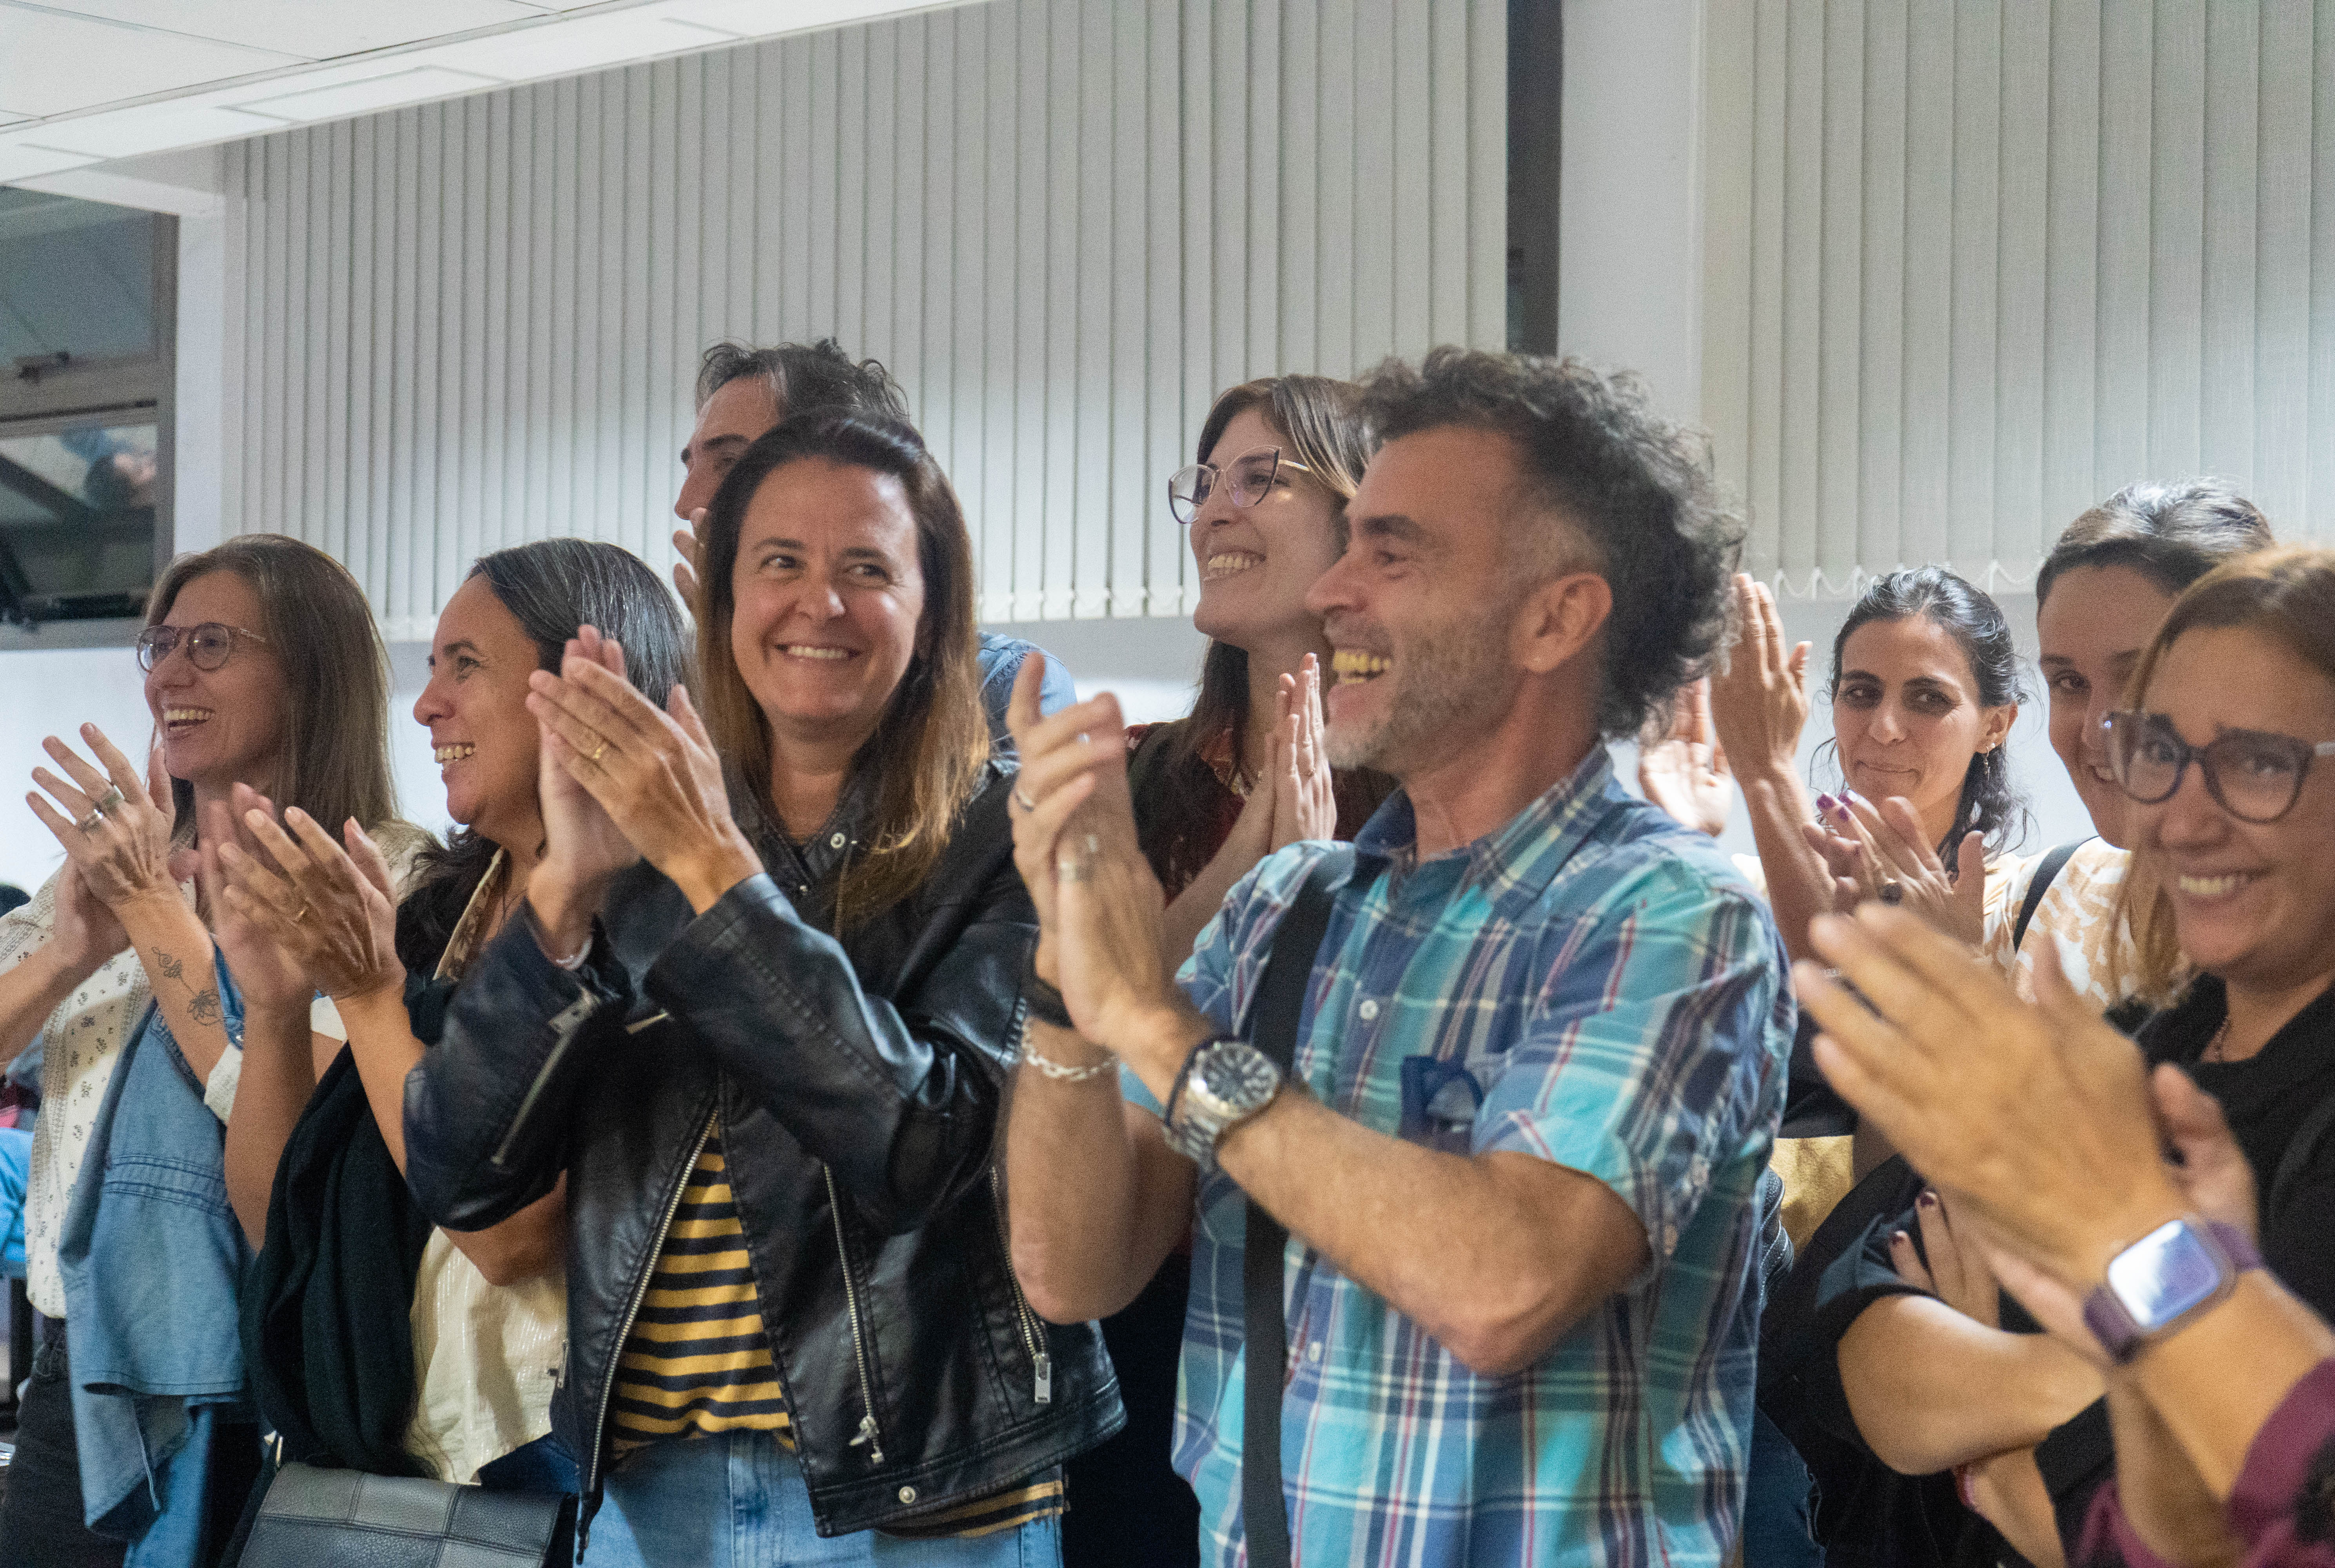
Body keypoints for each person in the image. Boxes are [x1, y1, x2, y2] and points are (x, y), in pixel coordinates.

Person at [1001, 348, 1791, 1564]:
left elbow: (1503, 1284)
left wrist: (1150, 1022)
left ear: (1553, 617)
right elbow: (1072, 1270)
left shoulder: (1671, 916)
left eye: (1391, 552)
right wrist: (1068, 979)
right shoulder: (1285, 909)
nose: (1332, 591)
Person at [401, 411, 1120, 1564]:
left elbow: (923, 1148)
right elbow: (458, 1170)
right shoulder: (642, 819)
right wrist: (565, 897)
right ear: (724, 596)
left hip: (918, 1501)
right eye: (779, 562)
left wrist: (712, 874)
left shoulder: (1006, 823)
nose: (817, 604)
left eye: (867, 569)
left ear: (932, 607)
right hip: (651, 1498)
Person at [1805, 545, 2335, 1564]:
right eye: (2157, 750)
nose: (2181, 816)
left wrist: (1988, 1437)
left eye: (2257, 762)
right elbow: (1839, 1321)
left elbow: (2237, 1518)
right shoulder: (2133, 1046)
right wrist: (2131, 1363)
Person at [213, 540, 691, 1509]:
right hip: (407, 1459)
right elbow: (279, 1218)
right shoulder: (437, 915)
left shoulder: (667, 925)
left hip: (556, 1468)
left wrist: (367, 995)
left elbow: (507, 1237)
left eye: (464, 666)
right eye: (431, 669)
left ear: (585, 688)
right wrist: (274, 1006)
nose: (426, 706)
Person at [0, 535, 417, 1567]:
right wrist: (69, 952)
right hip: (82, 1376)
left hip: (279, 1383)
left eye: (213, 644)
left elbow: (309, 1129)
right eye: (162, 646)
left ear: (309, 667)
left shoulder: (389, 872)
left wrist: (153, 911)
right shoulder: (111, 869)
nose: (170, 675)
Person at [1072, 376, 1392, 1568]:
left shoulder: (1430, 783)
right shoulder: (1137, 776)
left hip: (1351, 1301)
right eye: (1203, 484)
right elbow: (1088, 1010)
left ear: (1361, 518)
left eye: (1261, 479)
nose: (1215, 510)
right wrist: (1252, 864)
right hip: (1142, 1294)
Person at [1797, 898, 2335, 1568]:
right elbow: (1844, 1329)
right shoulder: (2154, 1028)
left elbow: (2138, 1539)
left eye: (2266, 783)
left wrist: (1977, 1452)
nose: (2185, 838)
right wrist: (2146, 1366)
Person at [666, 338, 1075, 736]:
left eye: (731, 463)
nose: (686, 503)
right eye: (691, 467)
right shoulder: (681, 684)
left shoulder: (1003, 688)